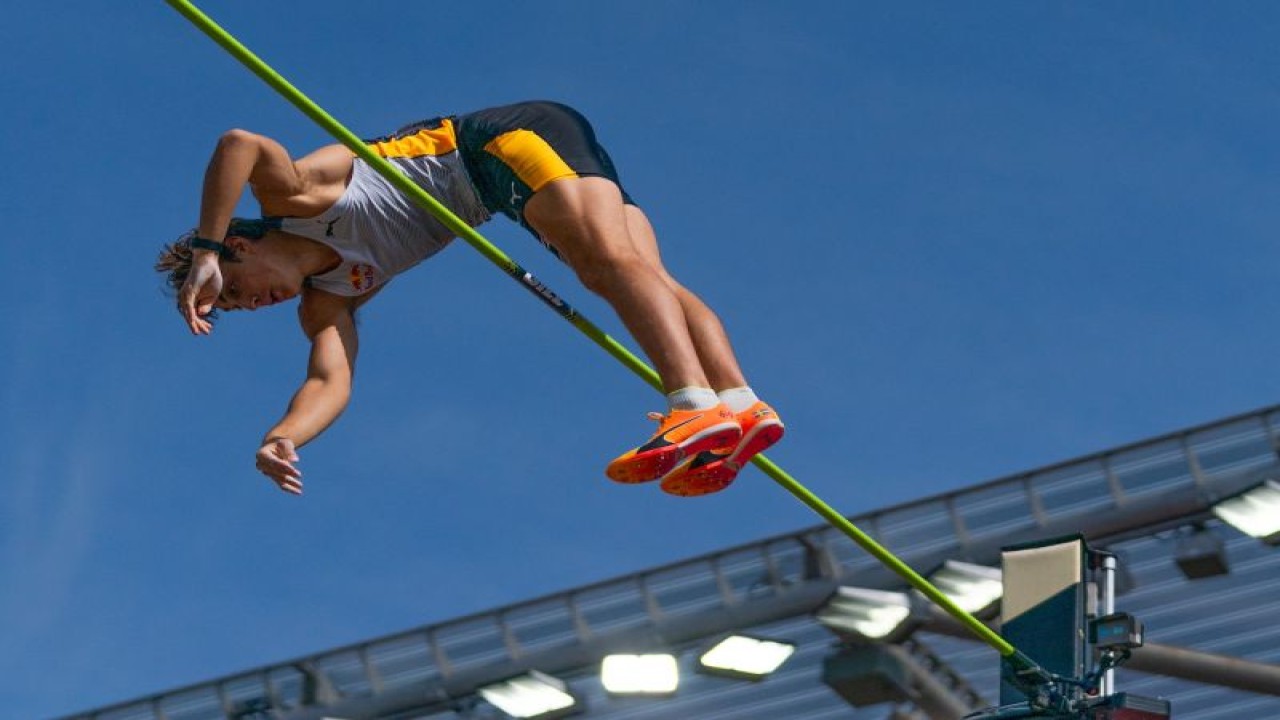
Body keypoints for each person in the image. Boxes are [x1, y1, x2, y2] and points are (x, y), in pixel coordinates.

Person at [157, 100, 783, 498]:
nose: (253, 302)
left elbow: (238, 141)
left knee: (606, 267)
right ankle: (740, 404)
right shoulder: (327, 300)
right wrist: (283, 436)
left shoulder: (295, 197)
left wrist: (204, 251)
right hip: (502, 188)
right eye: (241, 309)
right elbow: (330, 381)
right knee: (649, 278)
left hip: (497, 145)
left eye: (237, 290)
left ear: (242, 242)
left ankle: (690, 404)